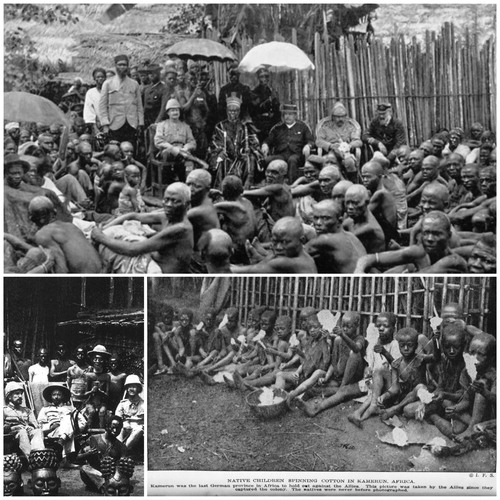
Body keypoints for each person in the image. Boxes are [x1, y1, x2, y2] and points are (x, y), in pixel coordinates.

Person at [91, 182, 194, 273]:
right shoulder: (167, 217)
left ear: (187, 205)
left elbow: (132, 250)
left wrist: (100, 237)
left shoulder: (181, 229)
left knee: (105, 246)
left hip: (158, 272)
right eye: (166, 199)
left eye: (175, 201)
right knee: (117, 232)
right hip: (152, 258)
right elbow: (133, 216)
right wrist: (105, 228)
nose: (169, 204)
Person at [354, 210, 468, 273]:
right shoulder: (419, 252)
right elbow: (370, 258)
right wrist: (359, 270)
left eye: (436, 234)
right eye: (426, 233)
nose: (429, 239)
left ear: (449, 236)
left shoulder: (454, 262)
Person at [28, 196, 103, 273]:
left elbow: (62, 270)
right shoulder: (71, 226)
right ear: (54, 212)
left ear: (35, 219)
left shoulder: (42, 234)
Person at [209, 95, 261, 189]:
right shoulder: (220, 126)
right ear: (226, 111)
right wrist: (221, 151)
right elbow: (215, 142)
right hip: (226, 155)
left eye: (235, 111)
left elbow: (252, 140)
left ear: (239, 111)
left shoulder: (244, 125)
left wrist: (247, 149)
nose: (233, 113)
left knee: (250, 159)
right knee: (221, 160)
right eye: (230, 110)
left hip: (241, 156)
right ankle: (221, 190)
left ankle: (246, 188)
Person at [235, 216, 317, 273]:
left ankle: (258, 259)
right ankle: (259, 258)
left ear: (302, 240)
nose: (278, 247)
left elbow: (243, 271)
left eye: (284, 242)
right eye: (274, 242)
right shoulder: (295, 254)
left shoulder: (291, 263)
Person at [453, 333, 496, 442]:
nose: (475, 357)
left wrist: (484, 392)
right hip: (474, 414)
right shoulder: (466, 372)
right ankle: (475, 427)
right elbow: (466, 400)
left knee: (483, 383)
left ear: (491, 357)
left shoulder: (495, 376)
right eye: (472, 352)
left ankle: (473, 428)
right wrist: (456, 408)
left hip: (492, 415)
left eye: (481, 354)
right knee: (456, 427)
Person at [305, 200, 366, 273]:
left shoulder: (326, 239)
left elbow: (293, 253)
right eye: (315, 218)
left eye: (325, 218)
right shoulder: (351, 235)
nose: (318, 223)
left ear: (340, 221)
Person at [262, 103, 314, 182]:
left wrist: (308, 146)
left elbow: (310, 141)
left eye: (290, 114)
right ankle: (266, 183)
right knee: (266, 160)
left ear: (295, 116)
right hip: (280, 155)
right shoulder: (278, 128)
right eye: (285, 114)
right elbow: (268, 140)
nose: (287, 116)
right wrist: (265, 145)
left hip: (296, 155)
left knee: (292, 160)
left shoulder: (302, 127)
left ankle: (291, 185)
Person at [99, 54, 144, 144]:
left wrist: (140, 123)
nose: (122, 67)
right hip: (114, 124)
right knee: (115, 151)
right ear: (115, 66)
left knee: (131, 150)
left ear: (128, 66)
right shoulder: (108, 84)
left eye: (124, 65)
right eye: (120, 65)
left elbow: (139, 105)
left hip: (131, 124)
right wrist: (105, 125)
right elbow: (102, 106)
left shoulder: (134, 84)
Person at [78, 415, 128, 493]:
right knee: (84, 468)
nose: (115, 431)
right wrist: (88, 453)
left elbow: (123, 466)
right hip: (96, 473)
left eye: (118, 429)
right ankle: (105, 485)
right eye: (112, 427)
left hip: (111, 474)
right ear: (107, 427)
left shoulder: (121, 446)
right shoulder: (93, 439)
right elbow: (78, 458)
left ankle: (107, 486)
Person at [214, 175, 258, 264]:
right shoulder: (247, 202)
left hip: (239, 250)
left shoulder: (231, 206)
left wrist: (208, 194)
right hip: (249, 244)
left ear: (224, 192)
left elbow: (204, 210)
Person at [315, 101, 362, 182]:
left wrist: (349, 145)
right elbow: (318, 141)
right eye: (338, 117)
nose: (340, 119)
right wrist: (330, 145)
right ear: (333, 117)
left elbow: (358, 141)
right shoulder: (326, 127)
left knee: (350, 162)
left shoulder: (350, 127)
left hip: (345, 153)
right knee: (330, 160)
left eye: (343, 116)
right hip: (330, 152)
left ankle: (352, 182)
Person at [154, 98, 196, 183]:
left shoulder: (185, 126)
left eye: (177, 110)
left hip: (183, 151)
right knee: (169, 154)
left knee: (188, 160)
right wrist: (172, 148)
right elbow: (158, 141)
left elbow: (192, 142)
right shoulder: (162, 125)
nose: (175, 113)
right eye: (172, 110)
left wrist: (186, 148)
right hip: (167, 151)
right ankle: (169, 183)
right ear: (168, 113)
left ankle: (185, 183)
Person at [360, 161, 398, 244]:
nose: (365, 180)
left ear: (379, 177)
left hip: (389, 237)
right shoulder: (377, 191)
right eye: (363, 177)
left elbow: (361, 213)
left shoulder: (380, 193)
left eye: (368, 177)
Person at [4, 381, 44, 457]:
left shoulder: (27, 410)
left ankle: (38, 456)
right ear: (9, 396)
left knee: (38, 431)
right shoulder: (4, 411)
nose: (20, 396)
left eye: (21, 394)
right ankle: (30, 458)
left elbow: (34, 423)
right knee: (22, 432)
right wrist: (12, 428)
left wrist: (31, 426)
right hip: (12, 435)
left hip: (28, 432)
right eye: (17, 393)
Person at [342, 184, 386, 253]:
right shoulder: (352, 221)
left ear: (367, 202)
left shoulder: (369, 228)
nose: (350, 207)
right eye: (347, 203)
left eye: (355, 203)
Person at [186, 169, 220, 252]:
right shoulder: (204, 200)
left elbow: (169, 217)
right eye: (188, 184)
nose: (190, 189)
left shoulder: (200, 210)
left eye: (197, 186)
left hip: (204, 256)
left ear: (207, 189)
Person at [83, 345, 111, 429]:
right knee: (91, 412)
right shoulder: (88, 375)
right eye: (95, 359)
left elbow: (107, 395)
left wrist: (99, 392)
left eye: (100, 359)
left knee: (102, 412)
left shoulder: (106, 376)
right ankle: (88, 433)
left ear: (104, 361)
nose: (97, 361)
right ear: (92, 360)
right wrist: (92, 391)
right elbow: (85, 394)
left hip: (102, 403)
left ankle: (102, 433)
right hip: (90, 402)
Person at [250, 67, 281, 142]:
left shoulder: (272, 91)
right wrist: (267, 101)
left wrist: (275, 100)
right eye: (262, 76)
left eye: (266, 76)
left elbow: (277, 109)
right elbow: (254, 110)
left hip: (272, 123)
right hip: (260, 125)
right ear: (258, 78)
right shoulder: (254, 92)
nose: (264, 79)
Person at [115, 375, 144, 453]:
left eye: (134, 386)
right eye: (129, 387)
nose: (131, 389)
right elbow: (117, 417)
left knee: (139, 431)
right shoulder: (123, 404)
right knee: (119, 430)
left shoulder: (144, 404)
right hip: (125, 426)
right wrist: (124, 423)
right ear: (126, 389)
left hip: (139, 427)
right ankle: (117, 450)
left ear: (138, 388)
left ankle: (123, 450)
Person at [84, 67, 106, 140]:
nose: (100, 79)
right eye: (98, 77)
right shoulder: (91, 93)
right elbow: (89, 110)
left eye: (102, 77)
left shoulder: (109, 91)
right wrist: (94, 127)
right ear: (94, 78)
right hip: (97, 125)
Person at [142, 63, 167, 128]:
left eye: (154, 72)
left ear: (158, 73)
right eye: (150, 73)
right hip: (146, 121)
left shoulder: (164, 88)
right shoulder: (146, 89)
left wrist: (157, 122)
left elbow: (163, 108)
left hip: (158, 122)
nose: (152, 75)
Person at [28, 347, 50, 415]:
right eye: (41, 356)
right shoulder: (32, 368)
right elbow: (30, 382)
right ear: (38, 356)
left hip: (45, 390)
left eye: (45, 356)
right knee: (37, 408)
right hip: (36, 391)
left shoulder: (47, 368)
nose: (43, 358)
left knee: (46, 408)